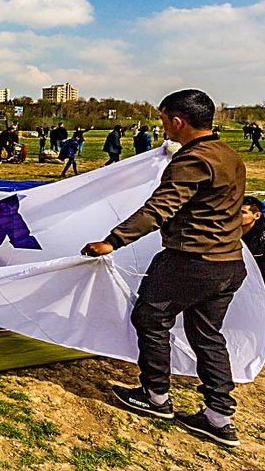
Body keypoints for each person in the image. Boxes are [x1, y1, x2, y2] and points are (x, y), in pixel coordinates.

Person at [81, 89, 246, 448]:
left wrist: (114, 240)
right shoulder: (228, 154)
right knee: (207, 335)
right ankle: (219, 416)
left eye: (163, 120)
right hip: (229, 263)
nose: (162, 127)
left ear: (177, 121)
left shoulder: (194, 160)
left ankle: (155, 396)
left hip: (191, 262)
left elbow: (161, 208)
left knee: (151, 318)